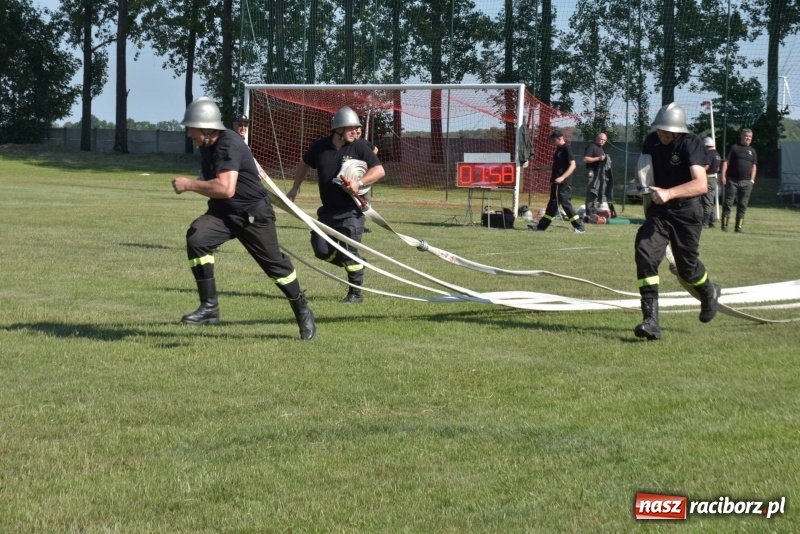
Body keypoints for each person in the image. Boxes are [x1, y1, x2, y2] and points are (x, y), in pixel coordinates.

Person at [171, 97, 316, 340]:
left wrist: (188, 184)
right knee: (197, 238)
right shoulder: (206, 146)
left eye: (191, 128)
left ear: (206, 129)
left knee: (276, 269)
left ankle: (302, 310)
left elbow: (225, 188)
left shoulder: (229, 144)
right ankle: (209, 307)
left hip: (253, 215)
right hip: (223, 213)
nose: (188, 134)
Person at [633, 102, 720, 341]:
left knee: (687, 269)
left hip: (686, 213)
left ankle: (708, 291)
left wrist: (669, 193)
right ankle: (650, 321)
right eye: (659, 129)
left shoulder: (691, 143)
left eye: (667, 131)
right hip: (659, 211)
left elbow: (701, 185)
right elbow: (644, 168)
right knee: (645, 253)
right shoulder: (651, 141)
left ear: (678, 130)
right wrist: (640, 183)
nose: (662, 134)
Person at [288, 106, 385, 303]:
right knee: (321, 250)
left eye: (356, 128)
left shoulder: (359, 147)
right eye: (351, 128)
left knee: (349, 253)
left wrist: (359, 183)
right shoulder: (320, 147)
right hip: (327, 212)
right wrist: (294, 188)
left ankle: (355, 294)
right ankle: (357, 265)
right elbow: (304, 163)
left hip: (352, 212)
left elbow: (379, 170)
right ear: (338, 129)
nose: (355, 131)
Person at [529, 129, 586, 233]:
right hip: (556, 182)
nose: (552, 142)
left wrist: (562, 177)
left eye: (553, 140)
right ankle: (541, 227)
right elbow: (557, 164)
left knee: (565, 203)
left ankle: (579, 227)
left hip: (563, 183)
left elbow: (573, 165)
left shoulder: (566, 148)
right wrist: (545, 168)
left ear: (560, 138)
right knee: (552, 205)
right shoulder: (558, 149)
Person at [721, 128, 757, 233]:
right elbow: (726, 162)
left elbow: (754, 166)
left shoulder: (752, 151)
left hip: (746, 182)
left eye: (750, 137)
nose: (748, 138)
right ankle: (724, 227)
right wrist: (723, 176)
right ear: (742, 136)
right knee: (728, 203)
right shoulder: (734, 148)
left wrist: (752, 180)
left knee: (742, 205)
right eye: (746, 136)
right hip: (732, 180)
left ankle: (738, 228)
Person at [583, 132, 610, 217]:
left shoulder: (601, 149)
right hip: (592, 172)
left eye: (604, 140)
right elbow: (586, 159)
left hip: (599, 174)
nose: (602, 141)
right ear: (596, 138)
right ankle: (590, 213)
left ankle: (595, 210)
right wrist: (599, 158)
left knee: (598, 192)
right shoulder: (592, 147)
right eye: (601, 139)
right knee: (592, 192)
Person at [702, 136, 722, 228]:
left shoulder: (709, 154)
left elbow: (706, 166)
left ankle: (705, 223)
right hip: (714, 178)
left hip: (708, 179)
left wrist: (700, 172)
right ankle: (712, 222)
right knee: (711, 202)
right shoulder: (717, 154)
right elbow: (717, 168)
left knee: (706, 202)